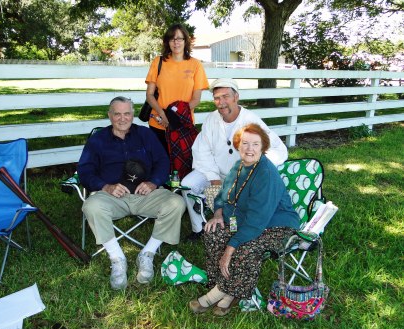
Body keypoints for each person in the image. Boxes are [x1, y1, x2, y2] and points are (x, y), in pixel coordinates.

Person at [189, 123, 300, 316]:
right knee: (213, 233)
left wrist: (229, 250)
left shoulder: (265, 172)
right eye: (245, 143)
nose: (249, 149)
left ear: (263, 147)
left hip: (276, 225)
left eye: (255, 144)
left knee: (245, 247)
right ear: (238, 146)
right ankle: (222, 284)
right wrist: (217, 214)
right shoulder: (239, 166)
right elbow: (223, 195)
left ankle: (222, 293)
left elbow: (257, 221)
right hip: (243, 219)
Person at [77, 96, 186, 290]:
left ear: (133, 115)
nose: (122, 118)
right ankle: (117, 259)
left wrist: (154, 183)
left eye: (126, 113)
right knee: (91, 206)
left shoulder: (145, 135)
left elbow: (163, 162)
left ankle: (147, 254)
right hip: (112, 197)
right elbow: (85, 171)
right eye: (117, 114)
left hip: (146, 195)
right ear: (109, 116)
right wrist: (105, 186)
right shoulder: (98, 140)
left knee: (176, 203)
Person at [181, 78, 289, 241]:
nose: (221, 102)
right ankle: (200, 227)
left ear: (236, 97)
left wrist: (251, 170)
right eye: (217, 98)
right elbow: (201, 150)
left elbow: (278, 149)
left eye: (226, 96)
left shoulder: (251, 120)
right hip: (215, 173)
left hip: (240, 177)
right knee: (187, 185)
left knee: (238, 205)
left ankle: (232, 228)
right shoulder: (211, 119)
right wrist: (214, 178)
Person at [145, 23, 209, 156]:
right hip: (158, 123)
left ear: (186, 41)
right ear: (167, 42)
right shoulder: (158, 62)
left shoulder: (195, 65)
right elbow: (150, 95)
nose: (176, 42)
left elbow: (196, 99)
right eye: (172, 39)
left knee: (182, 166)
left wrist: (174, 117)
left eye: (179, 38)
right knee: (160, 164)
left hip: (183, 124)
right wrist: (163, 115)